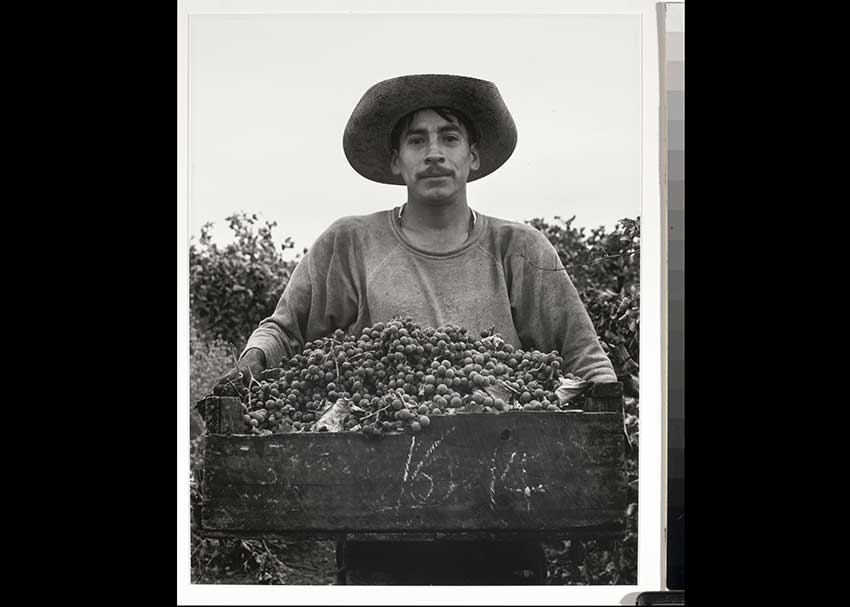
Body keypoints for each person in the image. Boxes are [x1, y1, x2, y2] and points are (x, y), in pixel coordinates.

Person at [217, 73, 617, 584]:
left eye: (449, 137)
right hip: (379, 514)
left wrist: (599, 428)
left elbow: (586, 360)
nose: (434, 152)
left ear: (473, 156)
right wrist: (248, 369)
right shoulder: (350, 242)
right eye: (416, 139)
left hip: (504, 511)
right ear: (395, 162)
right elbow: (284, 330)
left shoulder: (520, 248)